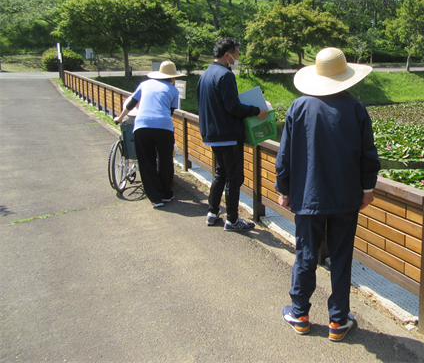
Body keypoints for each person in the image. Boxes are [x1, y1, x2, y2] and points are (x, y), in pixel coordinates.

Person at [276, 47, 380, 342]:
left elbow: (284, 157)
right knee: (342, 257)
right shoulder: (356, 108)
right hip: (346, 196)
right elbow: (368, 157)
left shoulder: (297, 108)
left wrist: (284, 189)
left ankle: (300, 315)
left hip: (307, 197)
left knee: (305, 254)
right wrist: (367, 189)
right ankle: (338, 321)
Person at [196, 37, 267, 231]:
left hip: (212, 134)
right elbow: (232, 106)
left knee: (220, 174)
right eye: (236, 54)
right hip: (228, 134)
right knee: (234, 178)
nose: (237, 58)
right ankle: (233, 220)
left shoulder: (205, 75)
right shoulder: (225, 75)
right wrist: (256, 110)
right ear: (227, 55)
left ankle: (212, 212)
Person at [114, 60, 183, 208]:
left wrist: (119, 118)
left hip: (142, 126)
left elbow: (131, 104)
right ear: (172, 78)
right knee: (165, 161)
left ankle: (155, 198)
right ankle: (166, 194)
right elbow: (169, 112)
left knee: (146, 162)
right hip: (164, 127)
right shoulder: (173, 90)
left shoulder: (144, 84)